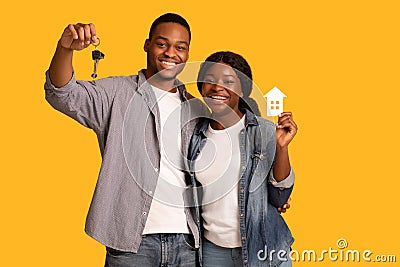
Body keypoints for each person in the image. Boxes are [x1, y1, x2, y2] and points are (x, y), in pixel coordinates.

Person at [44, 13, 205, 267]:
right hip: (131, 245)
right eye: (162, 44)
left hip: (187, 244)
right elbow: (62, 94)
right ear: (147, 45)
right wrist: (65, 49)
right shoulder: (117, 93)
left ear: (187, 54)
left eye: (180, 47)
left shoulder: (196, 109)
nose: (170, 53)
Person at [187, 51, 298, 266]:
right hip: (212, 252)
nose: (218, 87)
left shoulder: (265, 131)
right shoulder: (194, 136)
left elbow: (280, 197)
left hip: (264, 247)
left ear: (243, 89)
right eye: (210, 81)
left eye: (228, 81)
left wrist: (282, 148)